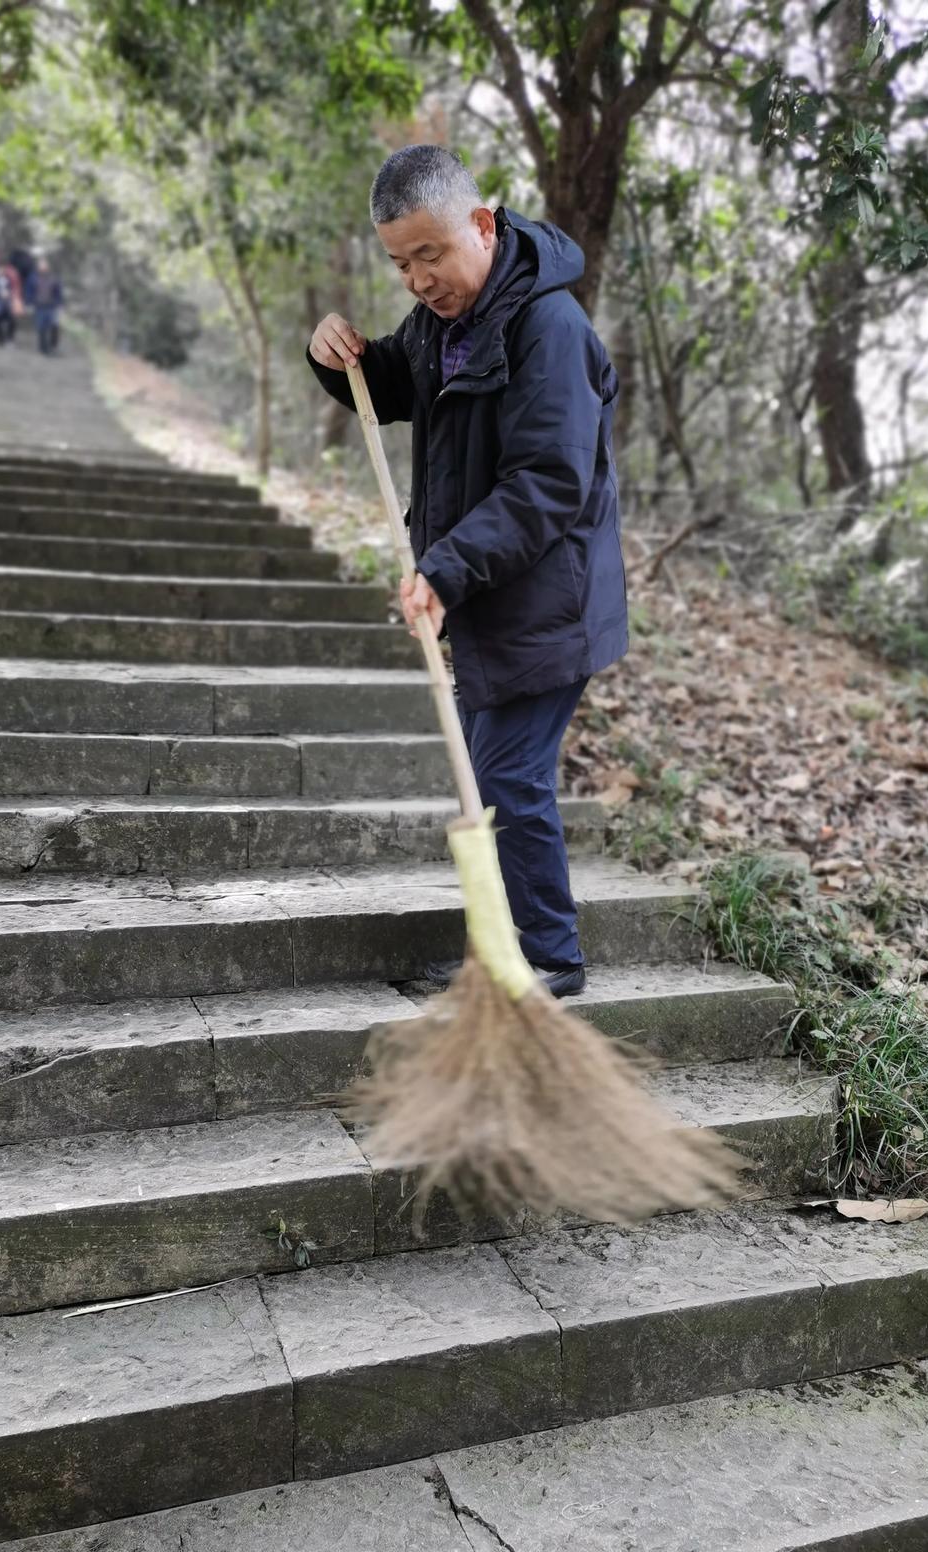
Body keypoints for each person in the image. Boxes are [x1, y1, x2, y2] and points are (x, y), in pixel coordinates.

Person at [308, 145, 628, 998]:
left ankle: (547, 957)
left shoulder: (548, 328)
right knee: (488, 777)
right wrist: (334, 352)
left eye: (431, 254)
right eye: (400, 262)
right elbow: (386, 384)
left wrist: (444, 569)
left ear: (481, 227)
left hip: (548, 596)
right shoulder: (443, 325)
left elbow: (549, 482)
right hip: (491, 597)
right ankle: (507, 947)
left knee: (505, 776)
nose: (417, 278)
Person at [28, 259, 64, 355]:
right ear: (38, 267)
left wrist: (60, 305)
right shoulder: (33, 278)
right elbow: (29, 291)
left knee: (54, 326)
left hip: (51, 306)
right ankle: (43, 348)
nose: (43, 268)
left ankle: (53, 346)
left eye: (44, 266)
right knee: (41, 328)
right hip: (39, 306)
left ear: (48, 267)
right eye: (41, 266)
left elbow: (58, 292)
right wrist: (30, 304)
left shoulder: (54, 278)